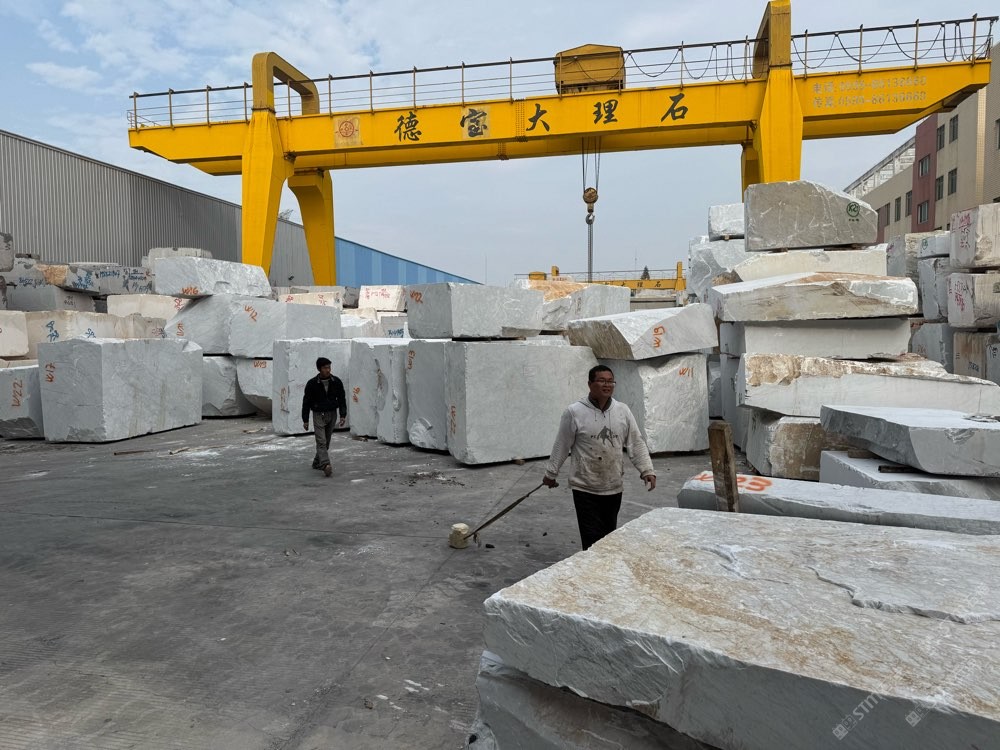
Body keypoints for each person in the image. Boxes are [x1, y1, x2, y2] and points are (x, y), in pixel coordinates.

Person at [542, 364, 656, 550]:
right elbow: (562, 444)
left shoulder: (623, 411)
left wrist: (647, 470)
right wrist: (551, 473)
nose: (607, 385)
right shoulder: (574, 412)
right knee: (591, 541)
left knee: (608, 538)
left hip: (613, 486)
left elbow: (636, 442)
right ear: (590, 384)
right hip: (584, 487)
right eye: (602, 381)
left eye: (610, 381)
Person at [301, 357, 347, 477]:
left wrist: (343, 415)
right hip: (318, 414)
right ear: (319, 369)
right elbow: (306, 402)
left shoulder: (336, 381)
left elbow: (342, 399)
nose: (328, 370)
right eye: (325, 368)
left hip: (332, 413)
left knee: (326, 441)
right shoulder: (312, 384)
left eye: (329, 367)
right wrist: (305, 419)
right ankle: (326, 465)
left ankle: (317, 462)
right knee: (321, 441)